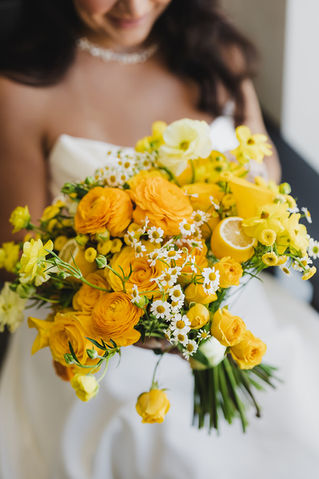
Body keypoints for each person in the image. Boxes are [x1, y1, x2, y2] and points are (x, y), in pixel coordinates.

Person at [0, 1, 318, 478]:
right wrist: (136, 307)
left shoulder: (216, 49)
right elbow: (23, 255)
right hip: (99, 345)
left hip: (235, 313)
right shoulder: (20, 90)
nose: (135, 6)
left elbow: (264, 173)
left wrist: (207, 266)